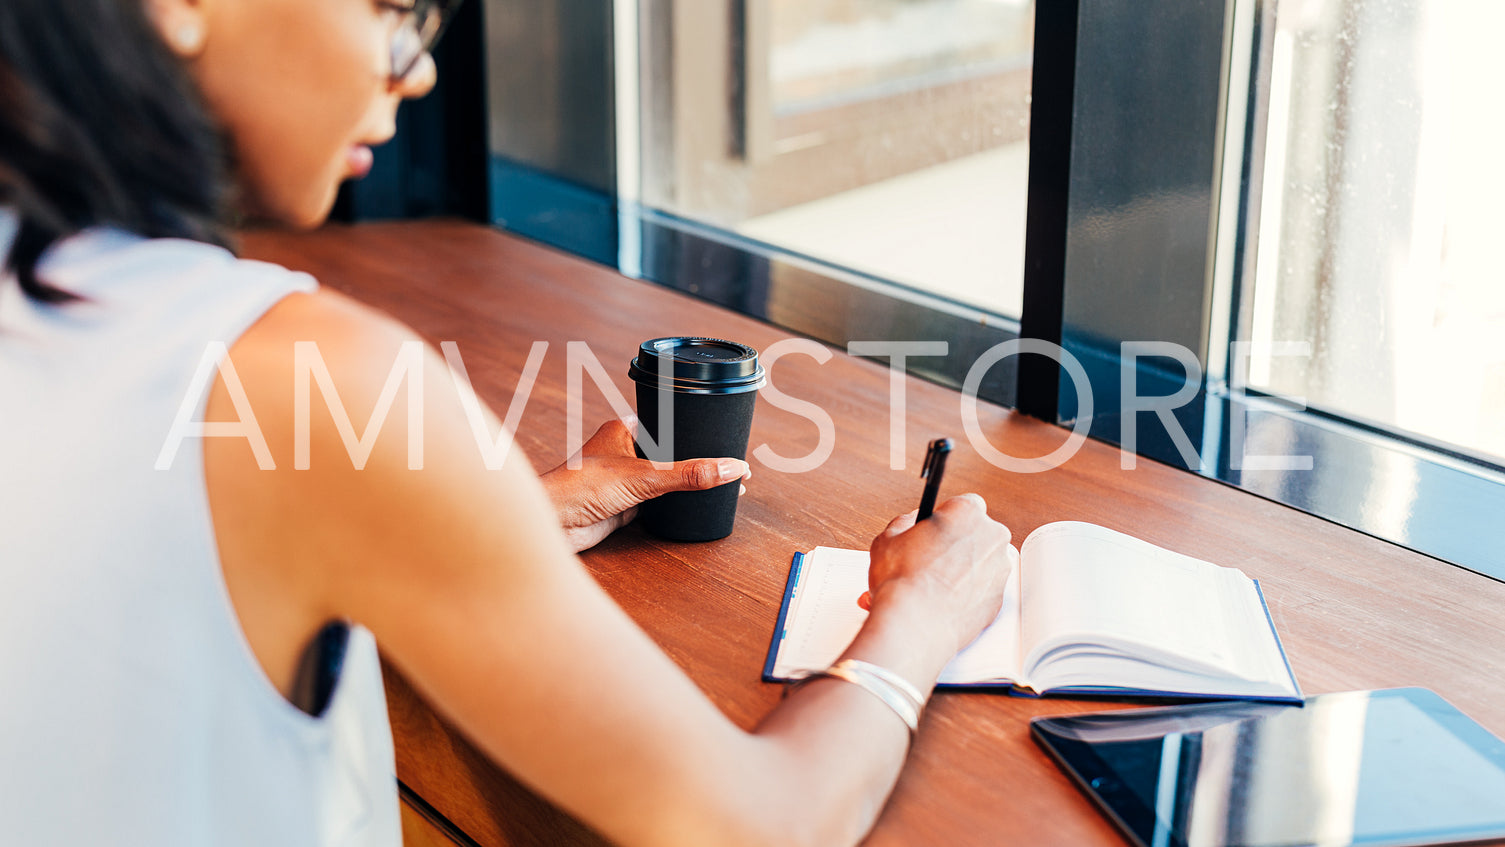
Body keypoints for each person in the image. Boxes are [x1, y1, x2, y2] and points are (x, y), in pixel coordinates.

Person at [0, 0, 1016, 845]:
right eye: (395, 13)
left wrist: (499, 516)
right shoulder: (302, 374)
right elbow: (753, 825)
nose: (420, 75)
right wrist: (917, 619)